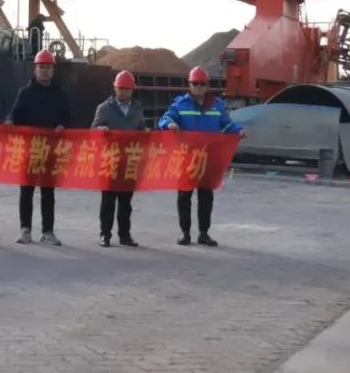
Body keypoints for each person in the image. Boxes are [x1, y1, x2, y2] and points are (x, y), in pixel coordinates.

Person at [157, 66, 244, 247]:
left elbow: (227, 125)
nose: (198, 87)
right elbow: (164, 119)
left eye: (202, 84)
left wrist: (238, 131)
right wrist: (170, 124)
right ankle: (185, 233)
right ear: (189, 84)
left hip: (208, 158)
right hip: (186, 158)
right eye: (195, 83)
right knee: (184, 196)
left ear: (207, 85)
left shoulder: (217, 105)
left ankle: (204, 233)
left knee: (206, 196)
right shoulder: (180, 104)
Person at [7, 48, 70, 246]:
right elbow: (14, 115)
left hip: (51, 150)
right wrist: (8, 122)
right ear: (35, 69)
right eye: (41, 67)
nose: (44, 71)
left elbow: (68, 116)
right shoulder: (25, 93)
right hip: (30, 149)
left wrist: (63, 125)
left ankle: (48, 232)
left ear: (53, 70)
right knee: (26, 190)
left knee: (48, 192)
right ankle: (25, 230)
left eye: (48, 67)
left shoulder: (60, 94)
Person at [92, 70, 147, 248]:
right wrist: (100, 130)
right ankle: (105, 234)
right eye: (121, 88)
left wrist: (146, 133)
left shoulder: (137, 109)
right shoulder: (104, 108)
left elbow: (141, 129)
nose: (123, 92)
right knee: (108, 201)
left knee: (126, 202)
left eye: (127, 89)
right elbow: (93, 130)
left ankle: (125, 235)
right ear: (115, 88)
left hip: (129, 161)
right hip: (110, 161)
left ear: (132, 90)